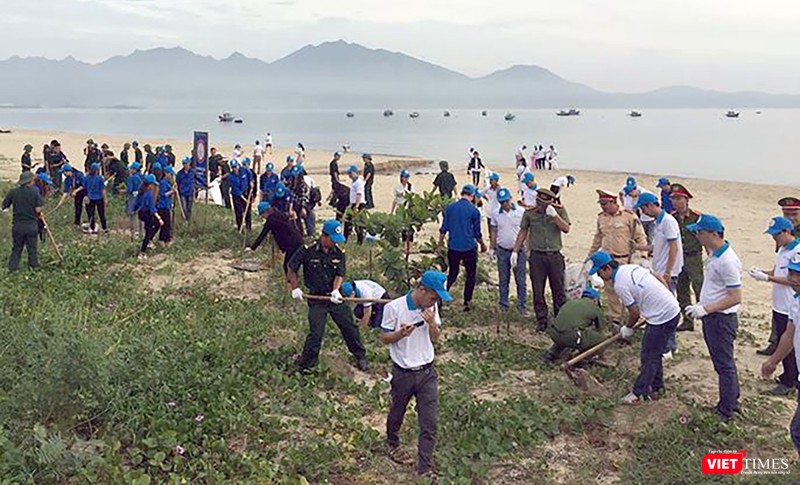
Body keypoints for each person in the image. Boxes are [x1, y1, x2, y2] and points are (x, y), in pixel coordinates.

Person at [380, 270, 451, 477]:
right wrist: (400, 334)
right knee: (397, 412)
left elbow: (436, 337)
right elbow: (384, 337)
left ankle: (424, 468)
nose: (434, 301)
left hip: (427, 372)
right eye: (433, 297)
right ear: (421, 290)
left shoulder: (432, 307)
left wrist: (431, 324)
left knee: (429, 422)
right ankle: (392, 443)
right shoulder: (394, 307)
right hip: (403, 373)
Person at [589, 250, 681, 404]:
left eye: (599, 272)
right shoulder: (629, 268)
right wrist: (665, 295)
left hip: (662, 316)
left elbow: (634, 312)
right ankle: (657, 388)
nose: (599, 276)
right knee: (654, 352)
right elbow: (657, 276)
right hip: (671, 309)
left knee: (649, 355)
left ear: (607, 268)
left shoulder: (620, 285)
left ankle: (639, 393)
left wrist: (628, 328)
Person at [288, 219, 369, 373]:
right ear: (324, 236)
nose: (335, 243)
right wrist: (295, 288)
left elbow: (340, 273)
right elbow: (292, 268)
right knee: (316, 333)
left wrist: (336, 290)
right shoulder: (308, 249)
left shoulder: (339, 252)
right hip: (317, 299)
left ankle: (360, 356)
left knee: (349, 327)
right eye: (333, 239)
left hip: (334, 297)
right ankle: (307, 364)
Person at [684, 214, 742, 422]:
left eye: (700, 233)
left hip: (720, 319)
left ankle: (726, 410)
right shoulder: (715, 254)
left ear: (714, 234)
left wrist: (706, 309)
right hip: (713, 316)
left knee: (724, 365)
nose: (697, 236)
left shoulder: (727, 261)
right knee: (723, 363)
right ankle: (731, 400)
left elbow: (735, 297)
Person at [748, 217, 800, 395]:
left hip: (789, 303)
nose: (774, 238)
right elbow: (779, 271)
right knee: (781, 338)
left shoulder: (797, 251)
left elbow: (792, 280)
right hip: (779, 303)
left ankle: (789, 381)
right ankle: (787, 375)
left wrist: (768, 278)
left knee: (789, 342)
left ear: (787, 232)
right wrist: (763, 273)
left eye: (776, 235)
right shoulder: (783, 249)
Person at [589, 189, 649, 328]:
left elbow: (640, 237)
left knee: (629, 289)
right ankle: (615, 317)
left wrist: (643, 256)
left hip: (624, 259)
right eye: (601, 204)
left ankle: (636, 317)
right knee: (610, 291)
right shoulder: (601, 218)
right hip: (607, 260)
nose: (603, 207)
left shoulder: (628, 216)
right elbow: (598, 237)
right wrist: (590, 255)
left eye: (605, 203)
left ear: (613, 202)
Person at [512, 188, 570, 331]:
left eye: (544, 204)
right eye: (539, 203)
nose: (541, 206)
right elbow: (523, 231)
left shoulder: (559, 211)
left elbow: (566, 228)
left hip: (554, 255)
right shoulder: (530, 213)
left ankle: (560, 320)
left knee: (558, 289)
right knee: (538, 290)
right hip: (537, 256)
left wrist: (555, 216)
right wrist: (515, 250)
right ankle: (542, 320)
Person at [760, 254, 800, 457]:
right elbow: (789, 333)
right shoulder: (795, 300)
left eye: (798, 274)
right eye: (791, 273)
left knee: (797, 432)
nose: (793, 278)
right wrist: (773, 361)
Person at [636, 191, 684, 358]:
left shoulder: (668, 222)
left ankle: (669, 347)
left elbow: (674, 247)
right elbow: (657, 247)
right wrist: (638, 247)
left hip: (667, 272)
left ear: (650, 206)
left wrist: (668, 272)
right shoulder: (658, 222)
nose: (643, 213)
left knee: (667, 308)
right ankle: (669, 345)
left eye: (643, 209)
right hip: (659, 271)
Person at [437, 184, 487, 312]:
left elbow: (444, 228)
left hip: (453, 246)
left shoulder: (450, 208)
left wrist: (440, 244)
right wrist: (482, 244)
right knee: (470, 275)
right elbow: (477, 233)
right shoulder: (474, 211)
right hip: (468, 247)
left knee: (452, 273)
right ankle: (467, 302)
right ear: (473, 196)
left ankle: (440, 296)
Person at [671, 184, 705, 333]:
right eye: (673, 199)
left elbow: (705, 237)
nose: (676, 202)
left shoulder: (697, 218)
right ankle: (687, 320)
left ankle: (705, 318)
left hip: (693, 257)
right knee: (681, 289)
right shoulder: (672, 218)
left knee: (699, 287)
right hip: (679, 258)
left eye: (679, 198)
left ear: (686, 200)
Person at [490, 188, 528, 316]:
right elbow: (494, 230)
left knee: (521, 280)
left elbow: (525, 230)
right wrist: (492, 247)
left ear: (510, 199)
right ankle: (503, 304)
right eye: (502, 202)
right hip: (502, 250)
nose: (504, 204)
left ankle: (522, 306)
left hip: (519, 251)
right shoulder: (496, 213)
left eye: (506, 201)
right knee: (503, 279)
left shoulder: (520, 212)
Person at [544, 288, 605, 363]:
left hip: (554, 333)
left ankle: (552, 353)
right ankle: (583, 359)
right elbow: (600, 329)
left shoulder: (571, 302)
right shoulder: (595, 307)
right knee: (601, 339)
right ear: (595, 300)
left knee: (565, 330)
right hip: (571, 337)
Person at [246, 201, 304, 276]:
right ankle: (292, 280)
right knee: (290, 266)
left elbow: (262, 235)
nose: (263, 217)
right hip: (297, 241)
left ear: (265, 212)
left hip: (292, 245)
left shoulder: (272, 220)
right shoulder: (277, 213)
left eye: (262, 215)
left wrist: (252, 248)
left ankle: (291, 281)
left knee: (288, 266)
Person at [3, 172, 44, 272]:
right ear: (29, 182)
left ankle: (12, 268)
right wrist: (39, 213)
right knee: (32, 249)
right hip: (31, 225)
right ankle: (33, 268)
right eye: (33, 180)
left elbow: (4, 205)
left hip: (18, 225)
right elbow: (38, 209)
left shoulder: (13, 192)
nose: (33, 182)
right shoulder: (35, 192)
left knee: (16, 248)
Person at [620, 176, 657, 244]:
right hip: (640, 219)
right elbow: (621, 194)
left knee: (650, 238)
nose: (630, 195)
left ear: (635, 189)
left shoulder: (645, 194)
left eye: (631, 193)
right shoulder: (627, 193)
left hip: (650, 220)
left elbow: (656, 203)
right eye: (628, 193)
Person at [135, 174, 162, 260]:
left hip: (141, 213)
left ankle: (149, 241)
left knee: (153, 227)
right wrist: (159, 218)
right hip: (147, 214)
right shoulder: (149, 194)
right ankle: (142, 252)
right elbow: (152, 208)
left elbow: (136, 204)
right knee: (149, 232)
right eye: (153, 184)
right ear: (150, 185)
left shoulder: (141, 192)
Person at [83, 163, 107, 234]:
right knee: (101, 213)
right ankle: (104, 228)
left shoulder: (86, 178)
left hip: (90, 198)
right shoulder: (100, 178)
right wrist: (105, 199)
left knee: (91, 214)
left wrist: (85, 197)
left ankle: (92, 228)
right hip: (99, 198)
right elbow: (103, 190)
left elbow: (84, 189)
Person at [345, 165, 366, 244]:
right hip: (353, 204)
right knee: (348, 222)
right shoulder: (353, 182)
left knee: (358, 224)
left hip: (359, 205)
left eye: (350, 173)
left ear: (355, 172)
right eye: (348, 173)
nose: (349, 175)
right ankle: (345, 239)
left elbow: (359, 194)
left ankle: (360, 241)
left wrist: (356, 206)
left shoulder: (359, 183)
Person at [229, 161, 251, 232]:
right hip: (237, 195)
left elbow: (250, 174)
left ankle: (248, 227)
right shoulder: (231, 176)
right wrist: (245, 199)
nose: (234, 169)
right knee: (239, 212)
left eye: (235, 167)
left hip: (245, 193)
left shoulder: (243, 170)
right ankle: (240, 228)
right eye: (233, 167)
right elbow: (236, 189)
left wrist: (251, 181)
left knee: (247, 211)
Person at [126, 162, 143, 239]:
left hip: (133, 197)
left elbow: (129, 189)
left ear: (135, 169)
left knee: (132, 216)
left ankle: (133, 233)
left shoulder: (131, 178)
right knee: (141, 216)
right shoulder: (142, 177)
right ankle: (141, 233)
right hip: (140, 197)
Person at [156, 170, 174, 245]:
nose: (171, 176)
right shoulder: (163, 183)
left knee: (167, 224)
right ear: (166, 173)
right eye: (170, 174)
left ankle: (166, 239)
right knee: (165, 224)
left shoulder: (168, 183)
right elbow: (163, 194)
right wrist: (172, 191)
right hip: (163, 206)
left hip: (167, 205)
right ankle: (163, 239)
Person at [483, 172, 501, 237]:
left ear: (496, 181)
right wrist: (487, 199)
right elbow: (482, 193)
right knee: (490, 230)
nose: (490, 181)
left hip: (497, 212)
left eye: (492, 180)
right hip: (489, 212)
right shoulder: (488, 188)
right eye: (490, 180)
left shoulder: (499, 190)